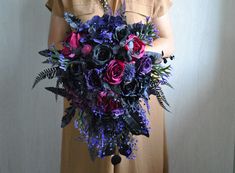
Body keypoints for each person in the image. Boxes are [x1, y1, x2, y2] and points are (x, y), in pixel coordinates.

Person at [45, 0, 175, 172]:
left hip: (139, 103)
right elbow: (55, 43)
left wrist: (132, 53)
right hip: (87, 102)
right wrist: (89, 56)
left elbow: (168, 42)